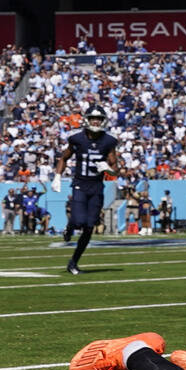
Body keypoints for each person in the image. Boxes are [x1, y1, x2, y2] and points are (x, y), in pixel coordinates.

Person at [53, 105, 122, 273]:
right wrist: (57, 176)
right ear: (87, 120)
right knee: (78, 221)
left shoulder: (108, 141)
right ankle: (70, 227)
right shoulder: (77, 138)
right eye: (93, 118)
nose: (96, 121)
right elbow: (64, 157)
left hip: (97, 187)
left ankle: (73, 262)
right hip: (80, 184)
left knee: (89, 227)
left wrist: (107, 168)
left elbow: (116, 169)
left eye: (98, 119)